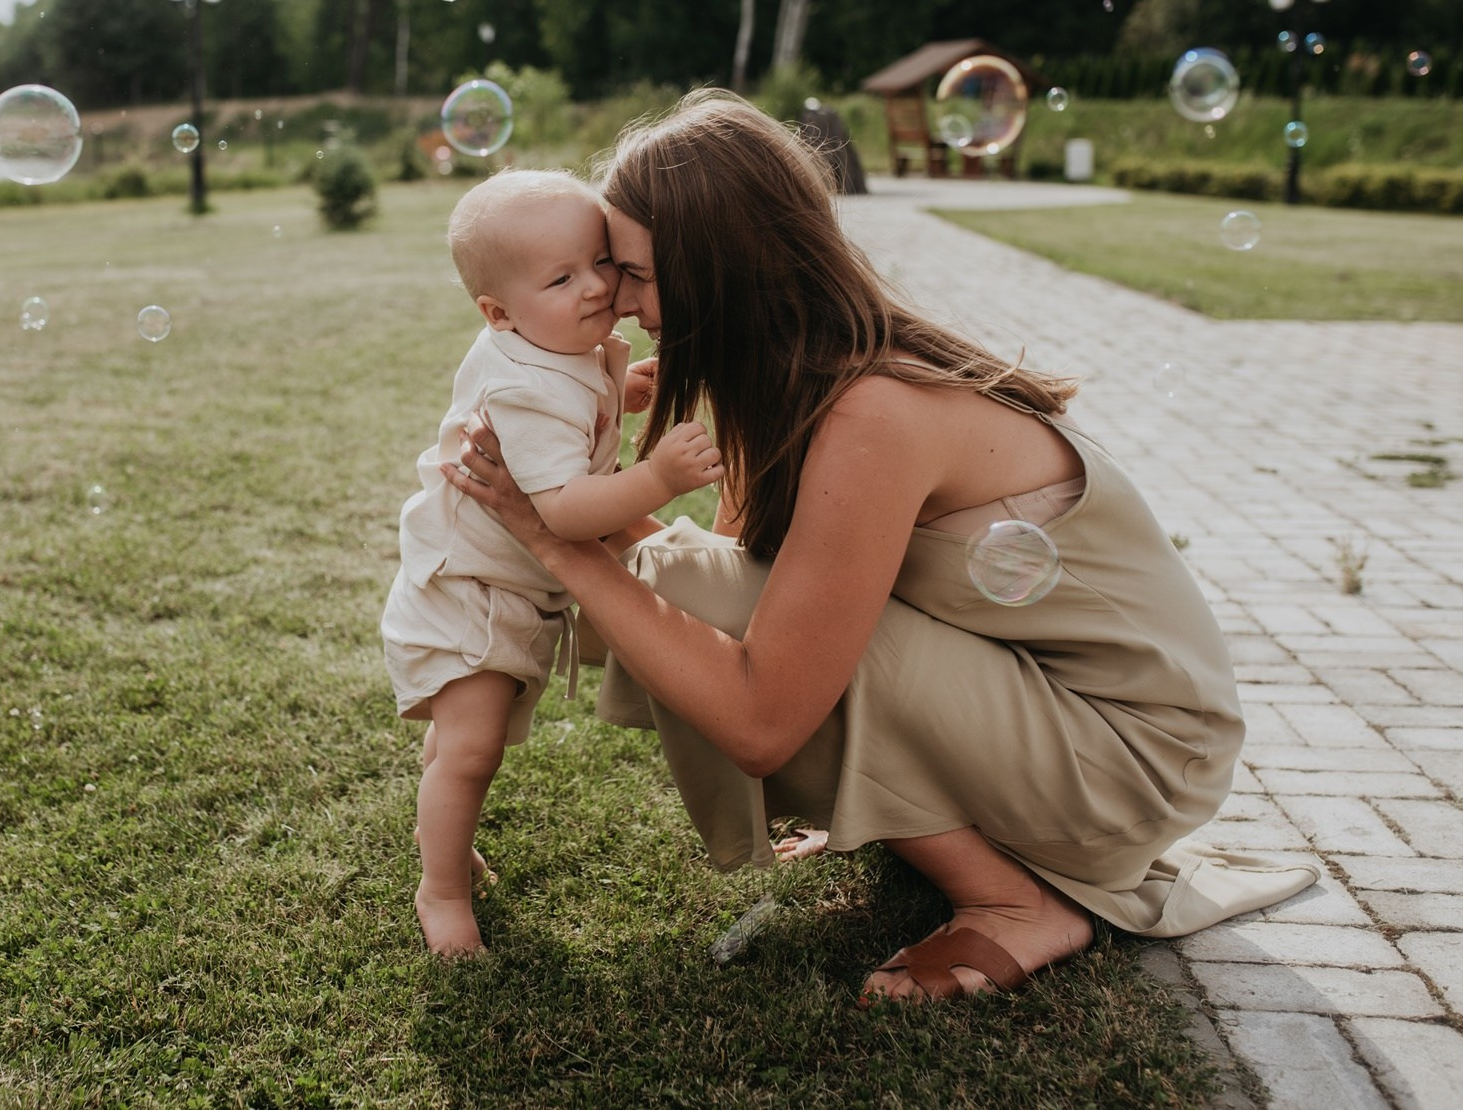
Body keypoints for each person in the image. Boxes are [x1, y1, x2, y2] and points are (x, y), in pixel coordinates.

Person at [440, 92, 1317, 1000]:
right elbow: (744, 577)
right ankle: (915, 813)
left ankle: (1016, 902)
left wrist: (555, 539)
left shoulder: (873, 412)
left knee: (721, 612)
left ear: (722, 268)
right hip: (1060, 713)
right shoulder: (791, 378)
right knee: (725, 590)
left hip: (1132, 759)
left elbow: (760, 717)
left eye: (633, 273)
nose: (616, 300)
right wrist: (591, 496)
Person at [384, 170, 726, 957]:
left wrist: (623, 388)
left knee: (466, 740)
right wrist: (658, 479)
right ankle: (440, 889)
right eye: (563, 277)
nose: (599, 286)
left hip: (498, 581)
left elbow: (585, 398)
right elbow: (566, 511)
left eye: (601, 261)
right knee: (471, 745)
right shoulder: (525, 384)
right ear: (499, 313)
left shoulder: (552, 343)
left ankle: (444, 829)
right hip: (469, 588)